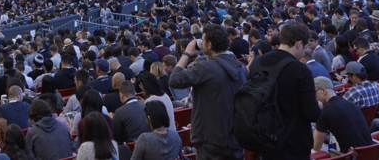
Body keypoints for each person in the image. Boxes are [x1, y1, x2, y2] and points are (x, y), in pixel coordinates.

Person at [167, 24, 246, 159]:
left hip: (209, 137)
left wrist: (186, 53)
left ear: (209, 45)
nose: (200, 43)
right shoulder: (241, 68)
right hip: (234, 136)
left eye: (202, 40)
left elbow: (174, 80)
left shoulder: (204, 68)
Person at [246, 23, 320, 160]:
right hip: (295, 143)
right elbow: (311, 114)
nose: (304, 52)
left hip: (266, 138)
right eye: (305, 47)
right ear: (298, 44)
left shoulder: (257, 63)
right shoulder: (301, 70)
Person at [311, 78, 371, 154]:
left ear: (323, 90)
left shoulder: (326, 112)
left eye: (314, 92)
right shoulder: (350, 104)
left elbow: (316, 147)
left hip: (352, 156)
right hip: (371, 153)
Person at [112, 80, 150, 145]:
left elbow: (116, 138)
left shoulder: (119, 112)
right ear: (134, 93)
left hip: (132, 149)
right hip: (150, 144)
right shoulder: (146, 106)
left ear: (121, 95)